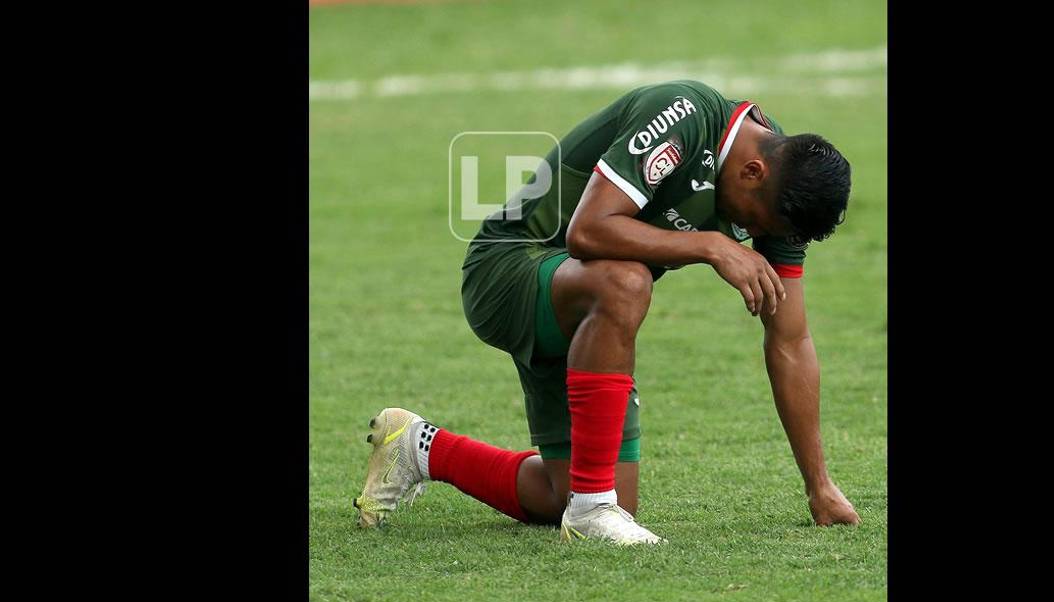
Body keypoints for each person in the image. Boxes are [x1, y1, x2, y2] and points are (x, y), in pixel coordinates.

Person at [354, 80, 861, 545]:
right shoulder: (682, 115)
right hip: (508, 269)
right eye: (757, 223)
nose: (756, 237)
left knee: (572, 494)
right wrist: (709, 244)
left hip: (583, 308)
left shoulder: (784, 191)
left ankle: (418, 449)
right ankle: (592, 510)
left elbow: (790, 340)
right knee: (626, 280)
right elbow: (588, 231)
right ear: (753, 172)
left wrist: (819, 485)